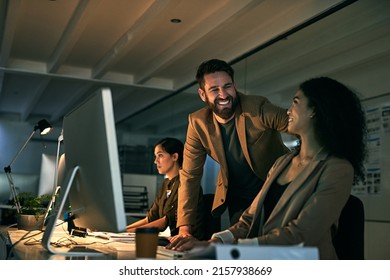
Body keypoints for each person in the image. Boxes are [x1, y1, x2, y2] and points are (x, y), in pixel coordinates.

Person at [168, 77, 367, 260]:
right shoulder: (282, 163)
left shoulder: (337, 169)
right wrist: (215, 241)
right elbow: (248, 220)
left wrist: (226, 251)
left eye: (295, 103)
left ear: (314, 110)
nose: (288, 110)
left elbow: (300, 236)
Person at [173, 59, 289, 241]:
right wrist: (184, 229)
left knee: (278, 246)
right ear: (202, 95)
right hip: (239, 196)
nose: (223, 94)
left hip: (278, 187)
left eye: (227, 86)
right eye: (214, 89)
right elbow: (189, 176)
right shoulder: (197, 123)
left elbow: (299, 126)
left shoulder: (257, 107)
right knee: (240, 249)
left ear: (234, 85)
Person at [126, 137, 204, 239]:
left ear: (175, 156)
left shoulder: (186, 184)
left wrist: (129, 232)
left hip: (186, 242)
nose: (155, 161)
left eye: (160, 155)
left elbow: (164, 222)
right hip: (171, 240)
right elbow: (150, 219)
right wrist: (122, 230)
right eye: (156, 156)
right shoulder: (166, 184)